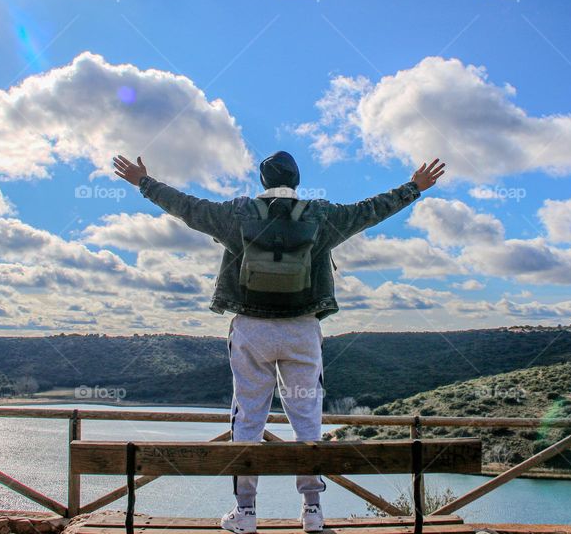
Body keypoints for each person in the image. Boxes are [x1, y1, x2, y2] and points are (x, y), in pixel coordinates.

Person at [113, 151, 446, 534]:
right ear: (297, 179)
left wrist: (144, 182)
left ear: (262, 180)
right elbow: (370, 210)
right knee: (307, 420)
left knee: (248, 416)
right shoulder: (322, 216)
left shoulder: (237, 214)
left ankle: (246, 512)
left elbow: (187, 207)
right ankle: (312, 510)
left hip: (251, 329)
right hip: (302, 329)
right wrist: (413, 188)